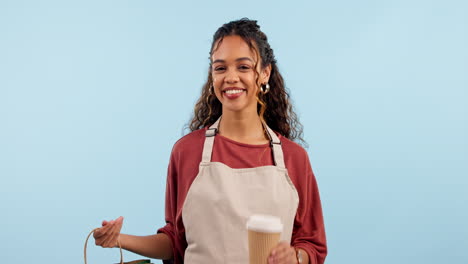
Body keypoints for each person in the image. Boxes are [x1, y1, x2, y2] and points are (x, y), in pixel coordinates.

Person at [93, 18, 327, 264]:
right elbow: (175, 242)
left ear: (264, 72)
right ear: (212, 74)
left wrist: (296, 258)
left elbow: (312, 244)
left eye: (244, 67)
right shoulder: (187, 151)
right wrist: (119, 239)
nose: (231, 77)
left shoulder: (294, 158)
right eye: (220, 68)